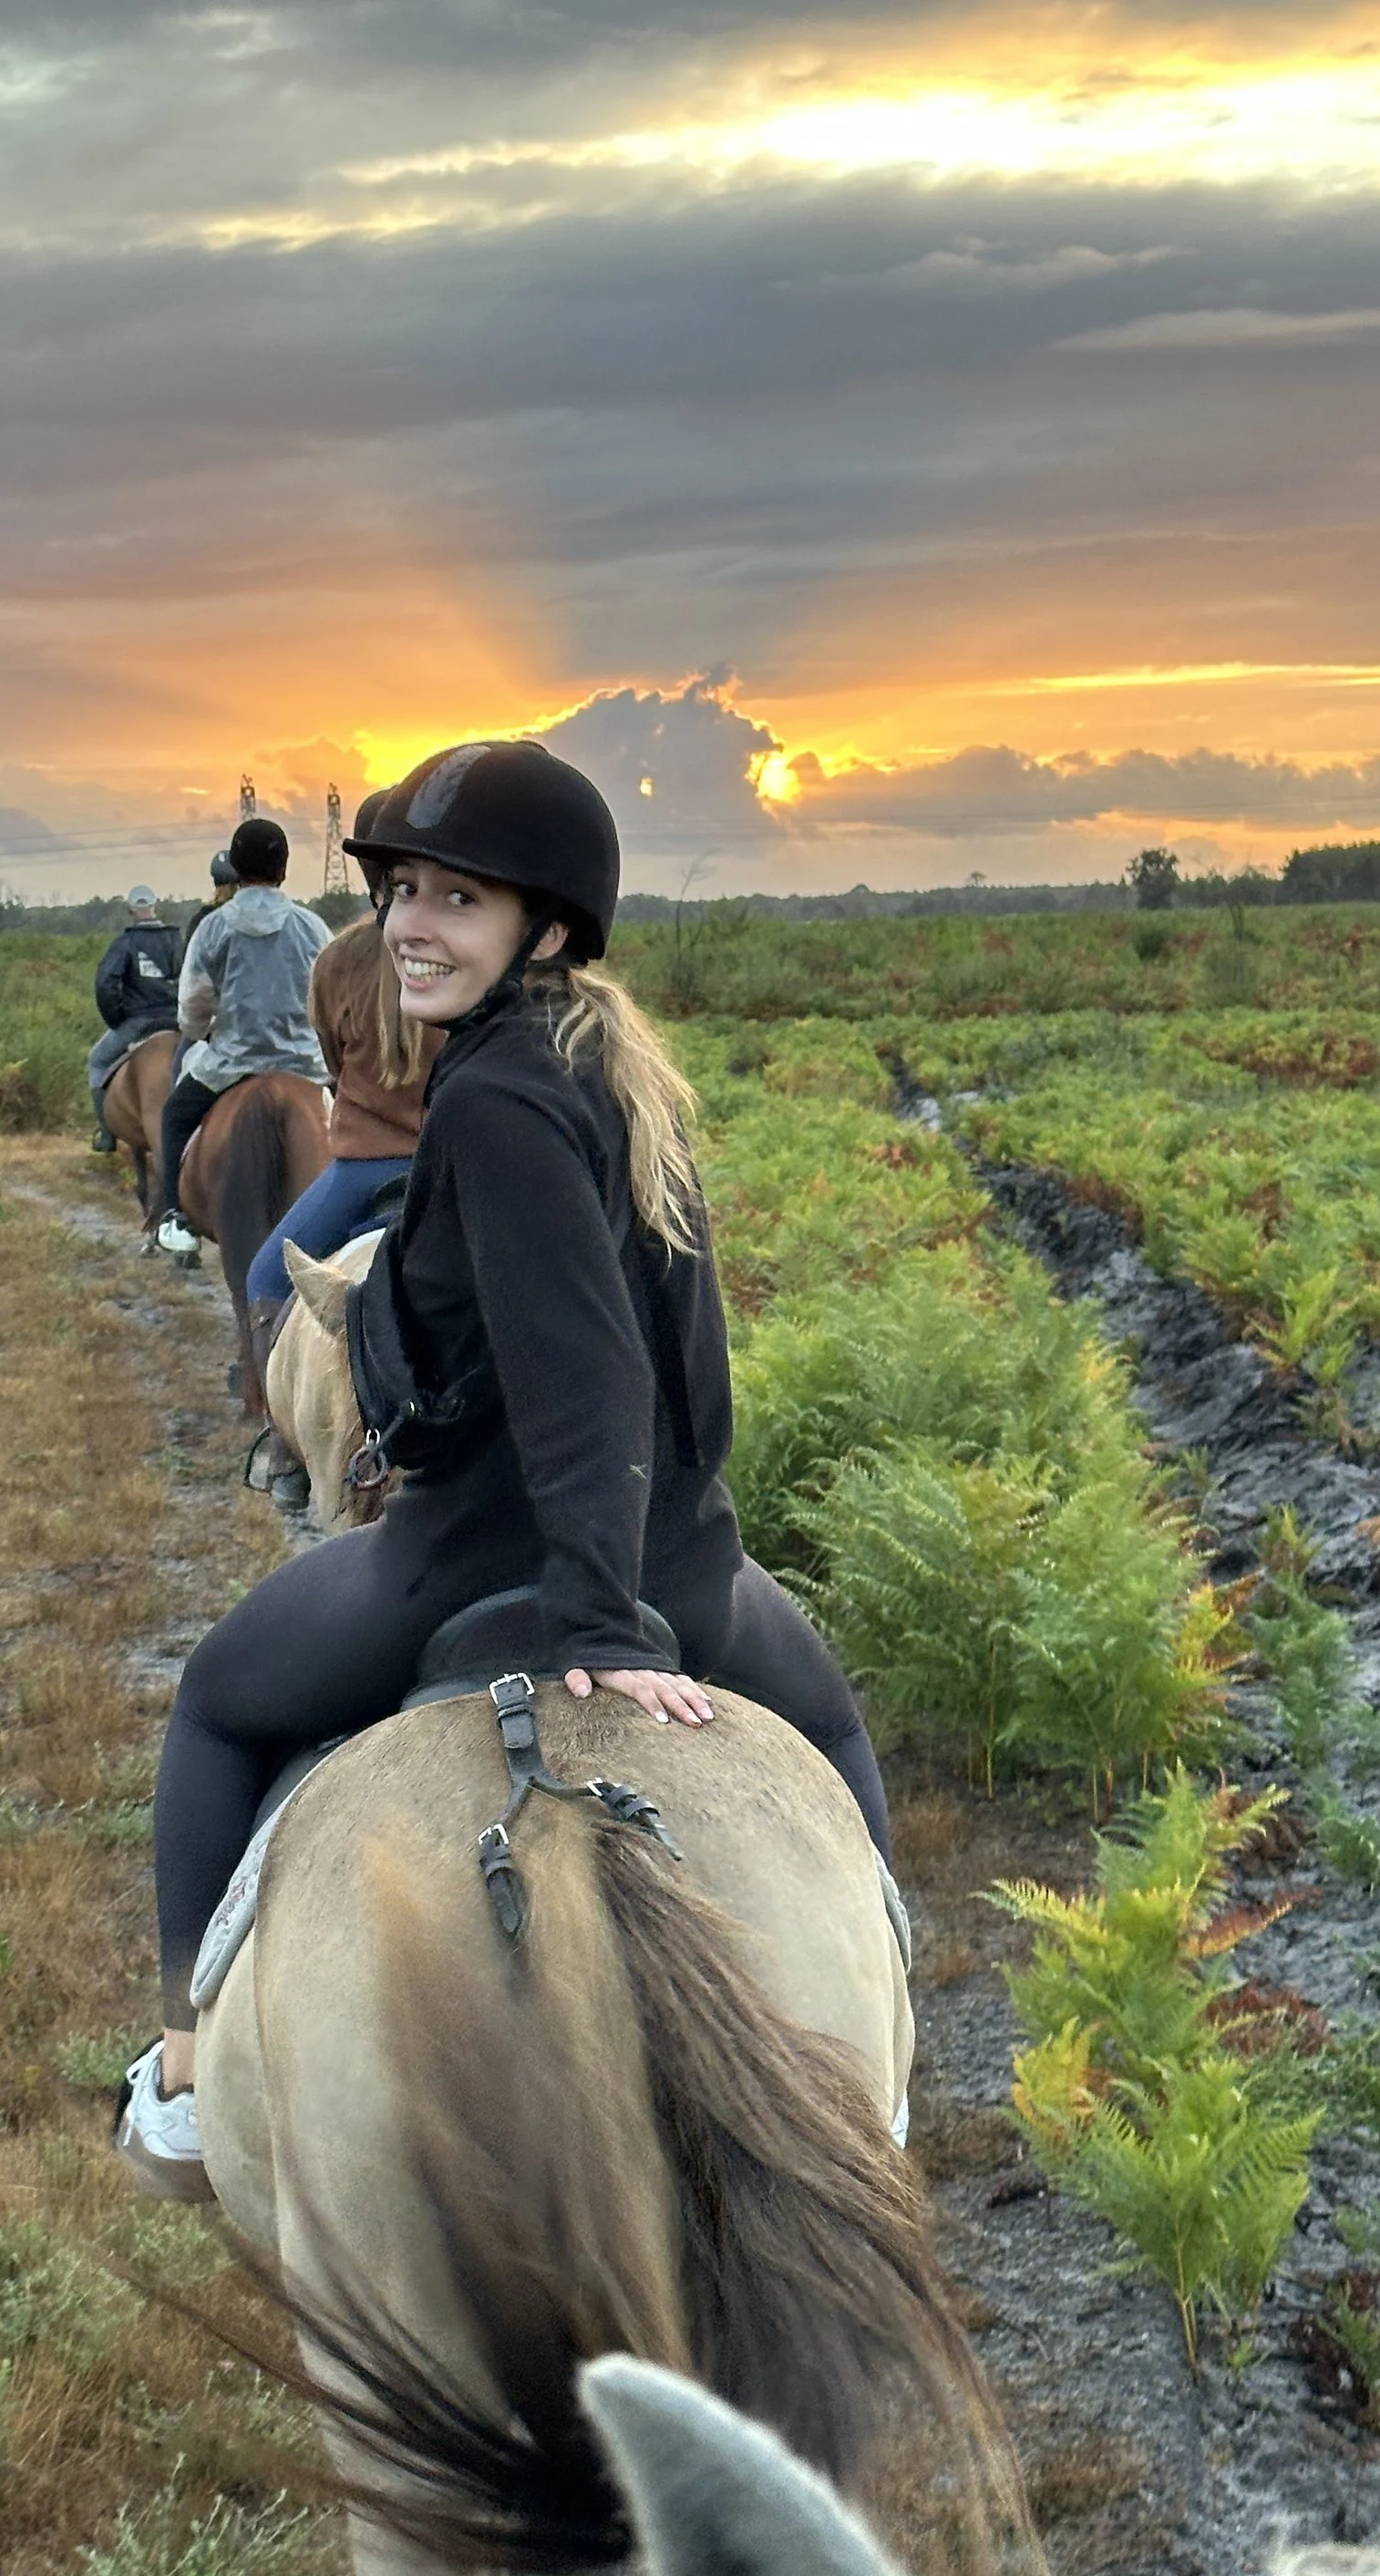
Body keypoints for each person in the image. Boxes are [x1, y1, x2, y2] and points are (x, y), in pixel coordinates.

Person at [119, 738, 893, 2191]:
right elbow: (685, 1368)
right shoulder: (613, 1072)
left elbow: (588, 1367)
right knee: (836, 1743)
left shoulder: (493, 1098)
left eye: (456, 900)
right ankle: (885, 2097)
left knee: (218, 1703)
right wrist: (668, 1568)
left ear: (542, 926)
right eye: (403, 890)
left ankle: (180, 2074)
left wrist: (600, 1620)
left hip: (490, 1559)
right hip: (696, 1560)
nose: (412, 924)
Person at [243, 788, 438, 1313]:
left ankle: (267, 1396)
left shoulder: (338, 960)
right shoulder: (464, 950)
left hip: (364, 1170)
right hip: (454, 1161)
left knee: (265, 1279)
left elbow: (333, 1064)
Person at [150, 818, 331, 1258]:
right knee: (362, 1120)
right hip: (306, 1065)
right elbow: (331, 996)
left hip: (230, 1065)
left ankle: (174, 1216)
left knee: (174, 1115)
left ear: (235, 866)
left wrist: (201, 1033)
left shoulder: (213, 927)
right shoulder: (312, 927)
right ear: (284, 869)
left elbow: (193, 1008)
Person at [86, 885, 182, 1152]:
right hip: (178, 1022)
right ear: (156, 907)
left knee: (96, 1060)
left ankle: (106, 1135)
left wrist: (116, 1019)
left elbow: (106, 984)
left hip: (139, 1022)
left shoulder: (125, 943)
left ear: (130, 911)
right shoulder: (176, 940)